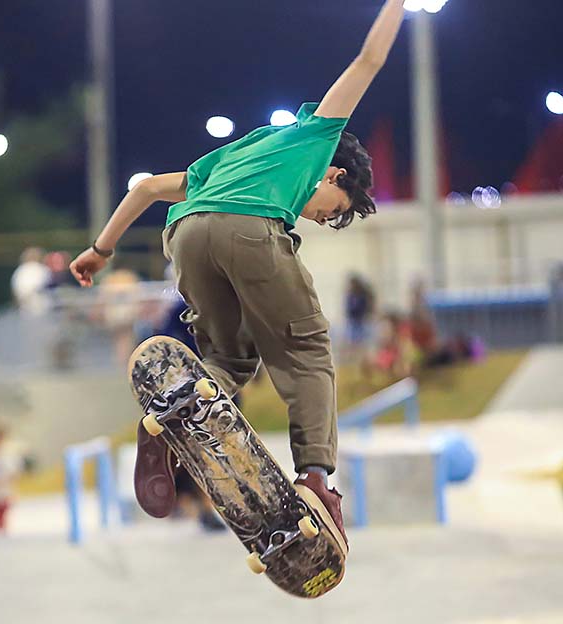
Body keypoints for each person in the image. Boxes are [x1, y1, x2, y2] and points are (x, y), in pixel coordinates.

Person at [70, 0, 408, 549]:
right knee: (307, 350)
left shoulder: (236, 155)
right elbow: (369, 60)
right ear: (335, 174)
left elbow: (147, 188)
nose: (321, 218)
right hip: (248, 230)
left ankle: (172, 415)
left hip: (186, 237)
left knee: (228, 361)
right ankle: (317, 482)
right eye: (332, 210)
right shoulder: (317, 136)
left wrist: (99, 249)